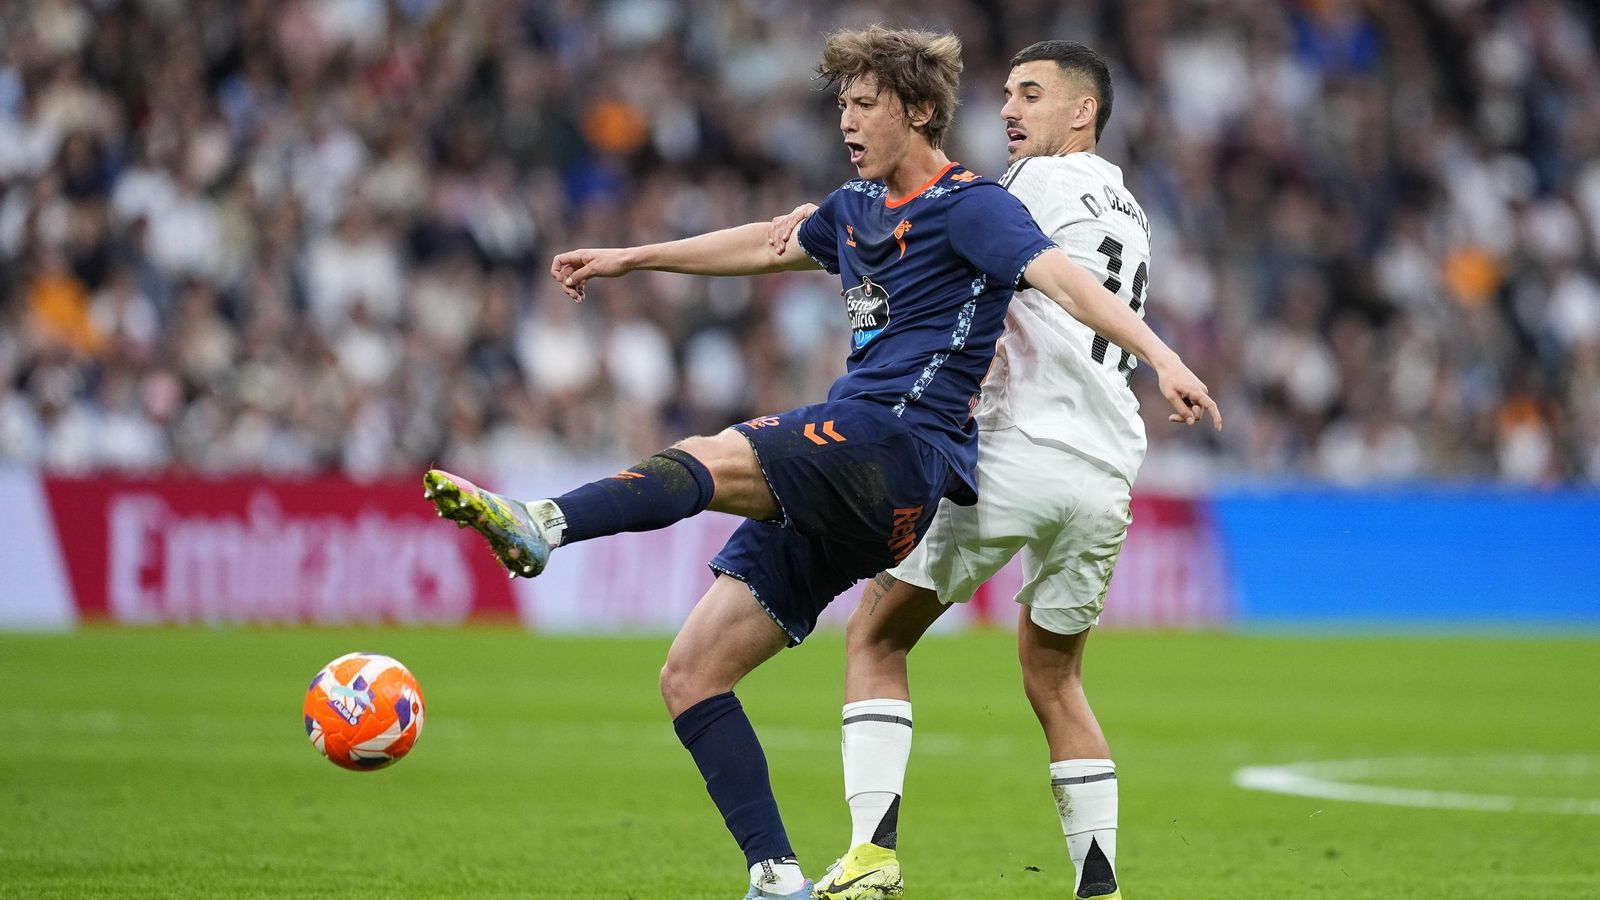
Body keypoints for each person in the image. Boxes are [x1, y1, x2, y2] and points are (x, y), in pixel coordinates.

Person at [424, 27, 1217, 900]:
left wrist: (1165, 357)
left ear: (920, 111)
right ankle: (777, 874)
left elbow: (1063, 278)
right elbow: (767, 246)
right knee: (691, 673)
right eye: (842, 104)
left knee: (725, 468)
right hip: (1071, 467)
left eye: (865, 103)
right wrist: (632, 258)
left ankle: (544, 523)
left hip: (901, 444)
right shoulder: (863, 207)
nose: (846, 120)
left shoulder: (986, 200)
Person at [768, 41, 1206, 900]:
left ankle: (870, 855)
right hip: (1107, 470)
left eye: (1031, 95)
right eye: (1006, 93)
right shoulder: (1128, 206)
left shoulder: (1027, 183)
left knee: (876, 636)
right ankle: (1100, 885)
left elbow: (927, 213)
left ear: (1082, 111)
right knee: (1056, 677)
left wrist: (830, 219)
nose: (1008, 109)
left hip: (1019, 449)